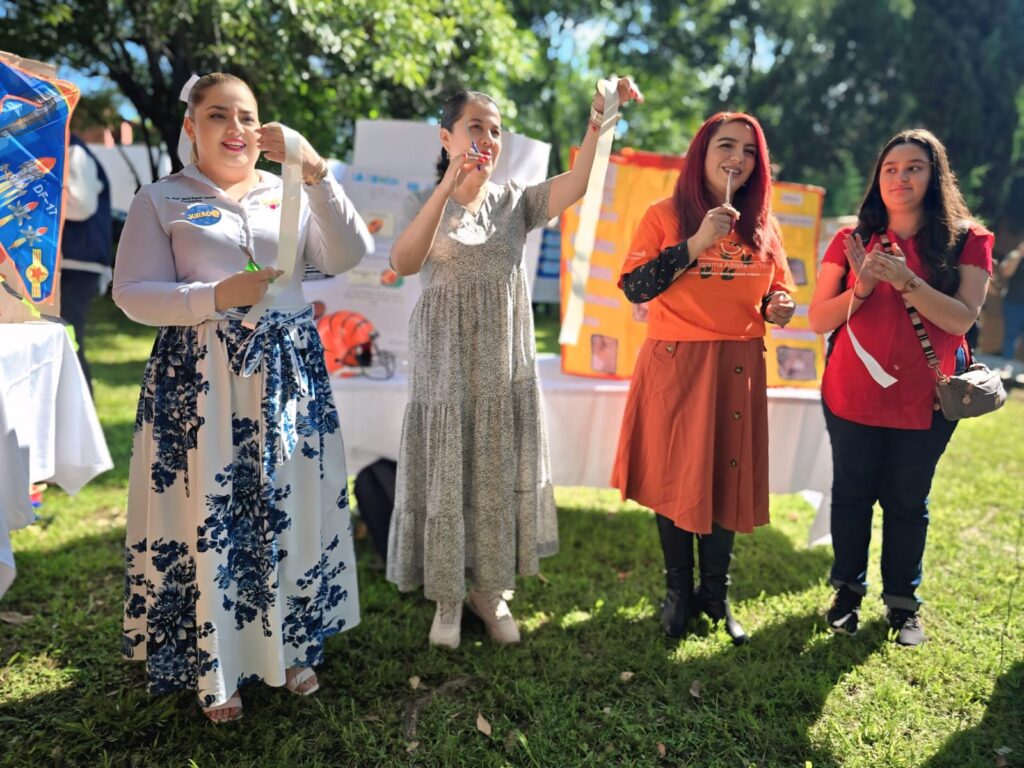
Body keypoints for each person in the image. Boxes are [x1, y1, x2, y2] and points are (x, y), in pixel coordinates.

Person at [113, 72, 373, 721]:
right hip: (199, 381)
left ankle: (291, 644)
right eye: (218, 115)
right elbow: (131, 293)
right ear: (192, 125)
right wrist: (212, 297)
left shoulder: (287, 191)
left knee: (287, 504)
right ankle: (216, 663)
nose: (236, 128)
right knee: (210, 516)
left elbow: (349, 253)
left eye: (247, 116)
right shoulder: (161, 198)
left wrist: (316, 171)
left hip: (287, 374)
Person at [386, 79, 643, 649]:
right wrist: (448, 188)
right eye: (474, 126)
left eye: (496, 130)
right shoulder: (423, 201)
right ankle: (448, 596)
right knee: (448, 476)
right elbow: (403, 262)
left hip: (502, 369)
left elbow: (580, 182)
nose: (487, 138)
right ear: (447, 137)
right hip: (444, 369)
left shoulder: (515, 203)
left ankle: (490, 590)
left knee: (495, 477)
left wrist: (602, 116)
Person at [611, 112, 795, 645]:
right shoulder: (664, 214)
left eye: (749, 151)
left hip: (739, 364)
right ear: (702, 153)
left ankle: (715, 595)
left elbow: (775, 291)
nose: (737, 158)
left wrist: (779, 305)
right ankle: (677, 595)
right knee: (675, 478)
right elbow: (636, 287)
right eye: (726, 146)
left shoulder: (762, 224)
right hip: (677, 363)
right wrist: (695, 241)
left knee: (727, 475)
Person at [808, 128, 993, 646]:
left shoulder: (969, 240)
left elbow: (961, 318)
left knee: (908, 501)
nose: (900, 177)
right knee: (851, 495)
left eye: (914, 167)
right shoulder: (851, 240)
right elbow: (818, 319)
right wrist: (864, 284)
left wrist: (906, 280)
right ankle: (846, 592)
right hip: (852, 392)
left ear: (936, 176)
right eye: (890, 169)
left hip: (926, 399)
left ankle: (902, 604)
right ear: (878, 178)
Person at [60, 109, 113, 392]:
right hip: (67, 263)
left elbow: (81, 205)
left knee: (67, 344)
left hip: (76, 263)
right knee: (62, 343)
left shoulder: (73, 149)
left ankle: (81, 412)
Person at [998, 244, 1024, 359]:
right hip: (1014, 302)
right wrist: (1019, 254)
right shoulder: (1015, 255)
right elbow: (1006, 272)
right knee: (1010, 335)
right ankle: (1007, 362)